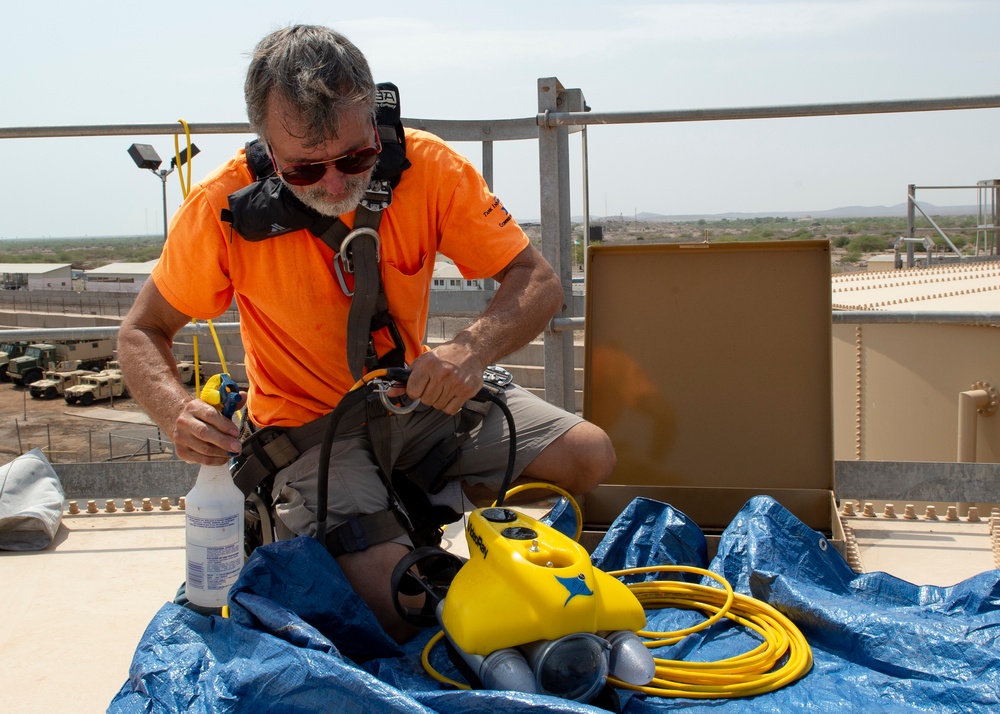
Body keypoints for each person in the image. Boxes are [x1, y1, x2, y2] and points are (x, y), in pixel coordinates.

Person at [118, 24, 615, 642]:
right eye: (305, 170)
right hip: (312, 433)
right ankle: (379, 527)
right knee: (399, 606)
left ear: (372, 120)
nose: (334, 184)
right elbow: (142, 331)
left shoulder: (429, 169)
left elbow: (537, 281)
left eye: (355, 158)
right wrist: (175, 413)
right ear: (268, 149)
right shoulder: (222, 207)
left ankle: (411, 504)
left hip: (417, 403)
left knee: (589, 454)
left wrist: (470, 349)